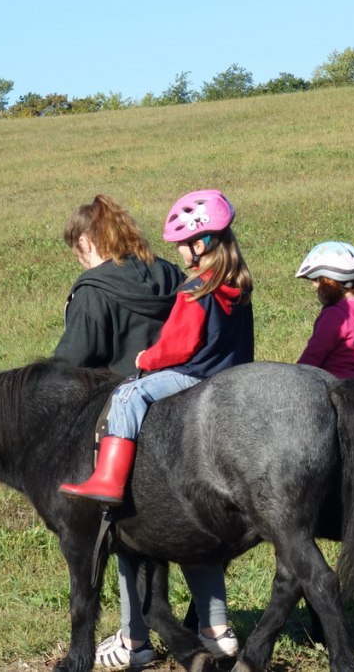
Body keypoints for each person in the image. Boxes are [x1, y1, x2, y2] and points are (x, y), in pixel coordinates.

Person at [59, 189, 254, 669]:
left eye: (77, 247)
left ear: (87, 241)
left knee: (124, 528)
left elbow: (72, 365)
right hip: (209, 398)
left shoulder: (99, 292)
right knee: (197, 516)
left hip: (152, 397)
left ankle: (133, 639)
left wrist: (144, 361)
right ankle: (215, 626)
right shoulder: (177, 276)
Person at [53, 194, 185, 376]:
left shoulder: (92, 291)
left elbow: (70, 363)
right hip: (185, 376)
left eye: (76, 252)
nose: (79, 260)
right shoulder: (169, 271)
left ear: (84, 243)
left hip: (127, 388)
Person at [294, 241, 354, 382]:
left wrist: (296, 375)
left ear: (330, 281)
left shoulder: (335, 316)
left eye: (317, 280)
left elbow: (314, 355)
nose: (314, 286)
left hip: (332, 385)